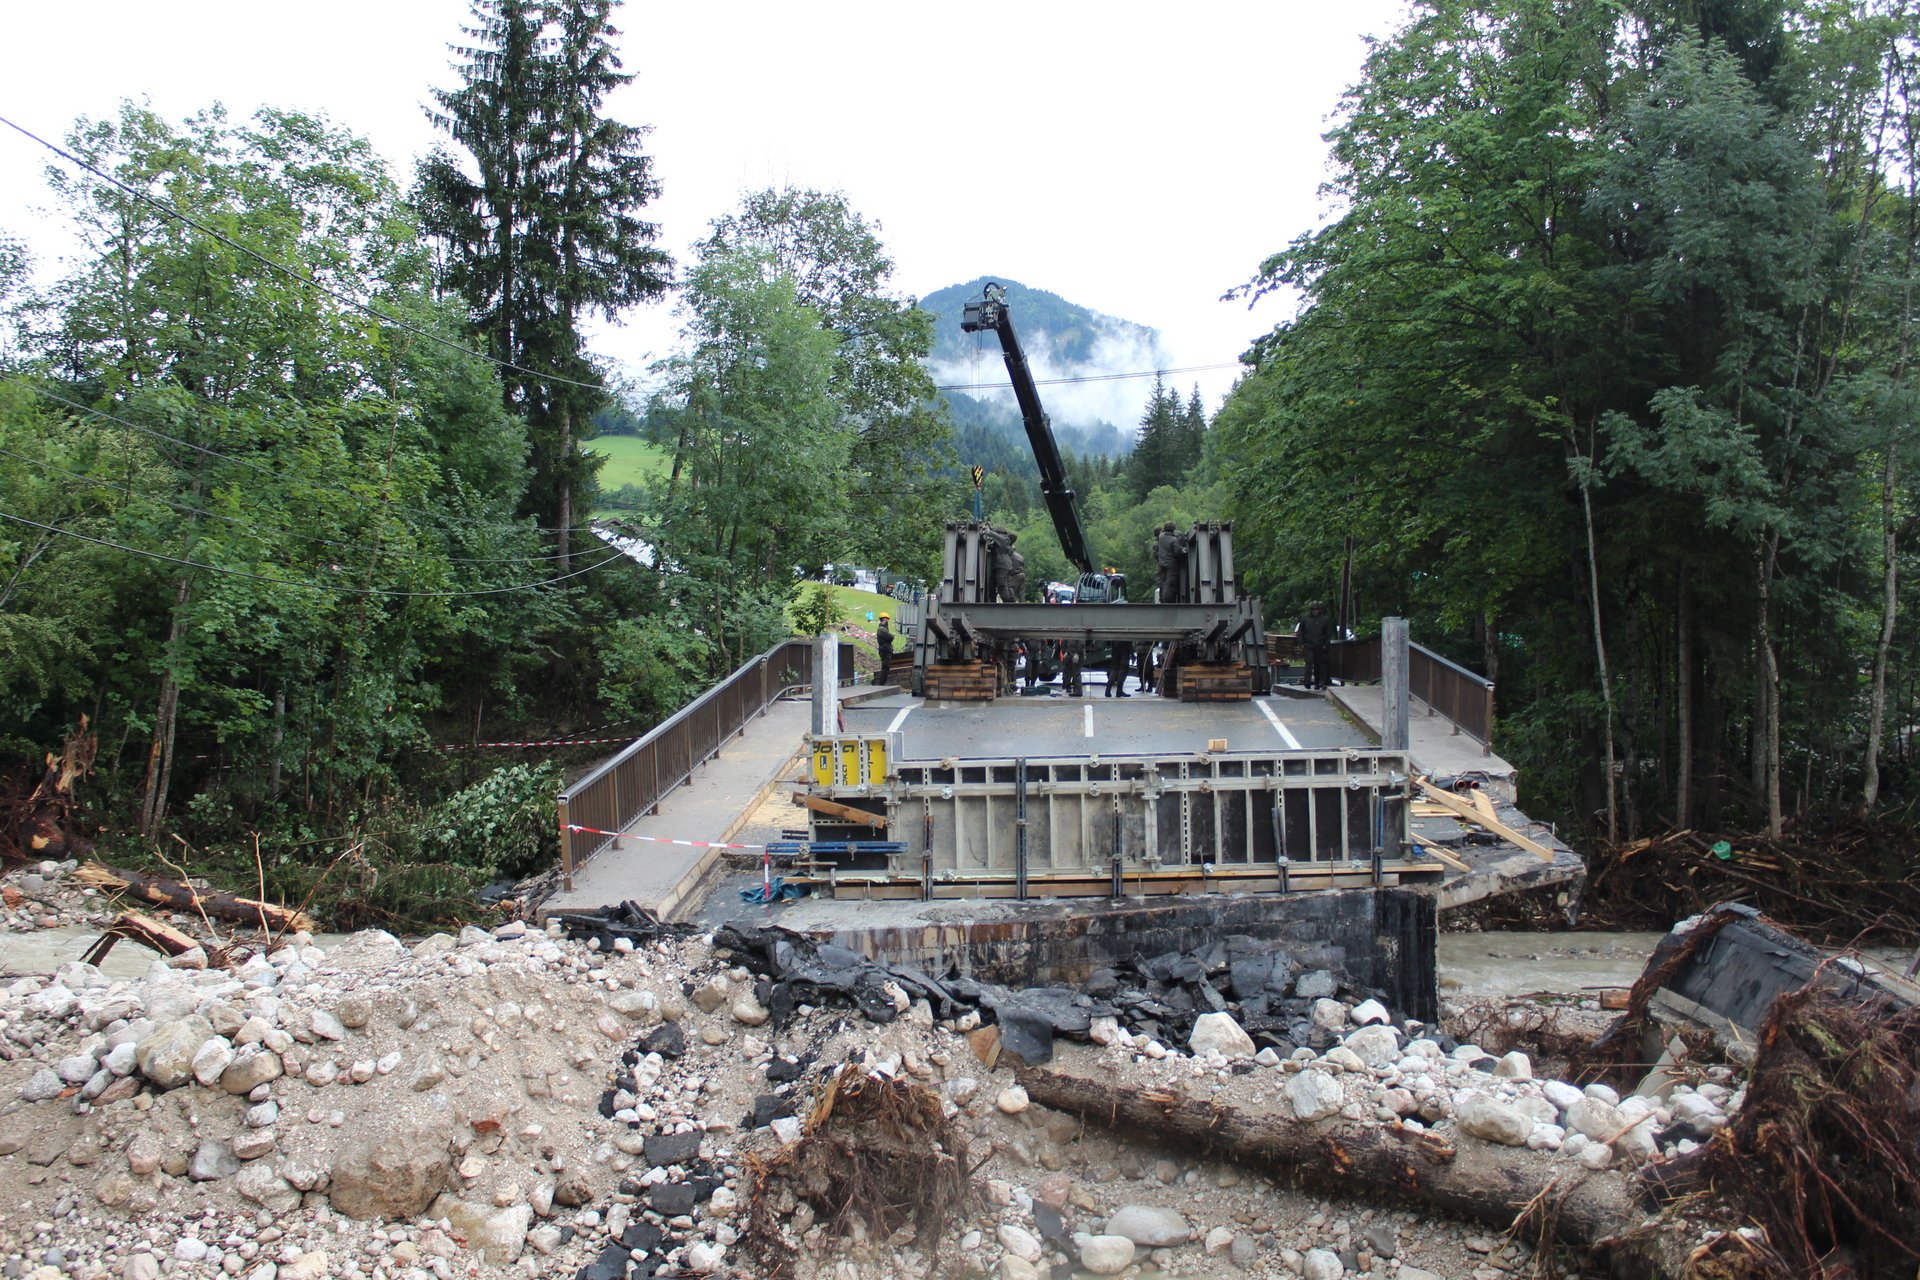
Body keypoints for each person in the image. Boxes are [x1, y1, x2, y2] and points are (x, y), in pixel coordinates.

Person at [1297, 600, 1335, 690]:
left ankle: (1318, 682)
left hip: (1320, 645)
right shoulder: (1305, 619)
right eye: (1313, 609)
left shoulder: (1325, 619)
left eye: (1316, 609)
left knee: (1318, 664)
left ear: (1319, 610)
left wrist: (1325, 644)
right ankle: (1307, 681)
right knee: (1309, 663)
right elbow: (1300, 632)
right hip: (1308, 644)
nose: (1315, 611)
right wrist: (1301, 643)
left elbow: (1328, 633)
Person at [1153, 522, 1181, 603]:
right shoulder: (1174, 540)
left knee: (1163, 582)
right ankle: (1166, 600)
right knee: (1170, 583)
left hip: (1162, 564)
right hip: (1171, 565)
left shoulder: (1161, 537)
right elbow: (1177, 551)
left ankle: (1162, 599)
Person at [876, 614, 896, 686]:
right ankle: (882, 683)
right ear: (884, 619)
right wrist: (892, 636)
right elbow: (890, 637)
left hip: (885, 649)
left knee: (886, 666)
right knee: (885, 666)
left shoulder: (883, 629)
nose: (888, 621)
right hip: (885, 650)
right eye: (887, 619)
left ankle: (883, 682)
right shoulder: (882, 629)